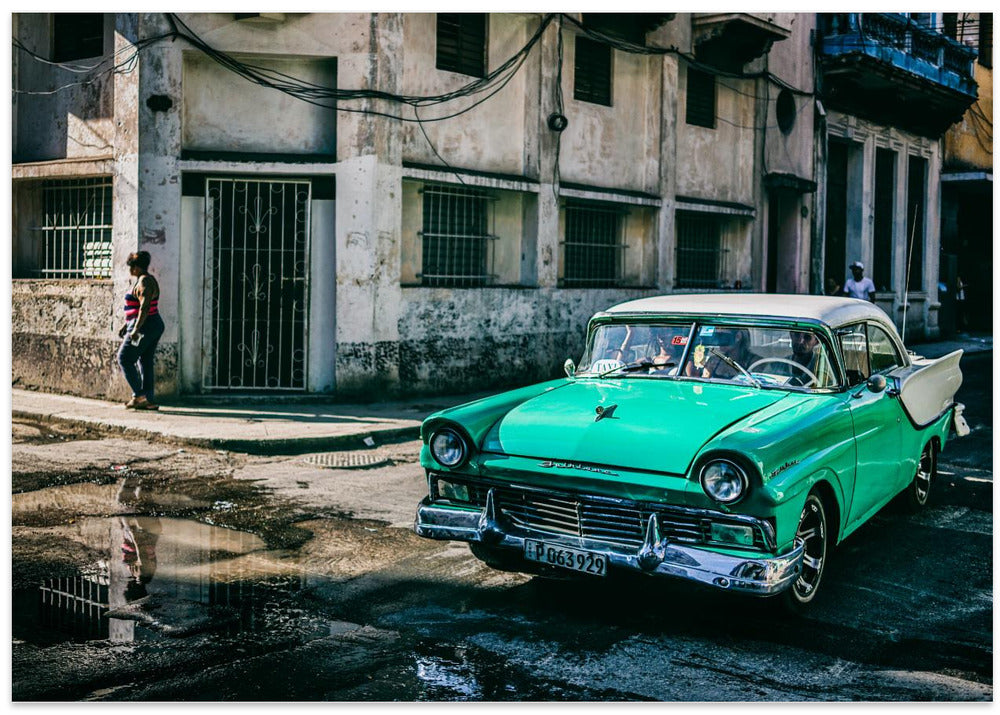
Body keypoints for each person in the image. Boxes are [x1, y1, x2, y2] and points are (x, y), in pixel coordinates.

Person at [117, 251, 164, 409]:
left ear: (136, 268)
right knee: (144, 361)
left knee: (124, 358)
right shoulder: (143, 280)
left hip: (145, 325)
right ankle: (148, 399)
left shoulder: (144, 281)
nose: (130, 270)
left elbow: (144, 308)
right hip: (149, 324)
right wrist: (126, 324)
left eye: (131, 267)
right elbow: (137, 308)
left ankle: (139, 395)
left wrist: (135, 329)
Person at [686, 328, 761, 380]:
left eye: (722, 336)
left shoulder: (756, 362)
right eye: (717, 336)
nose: (718, 340)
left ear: (738, 337)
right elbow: (704, 382)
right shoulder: (714, 361)